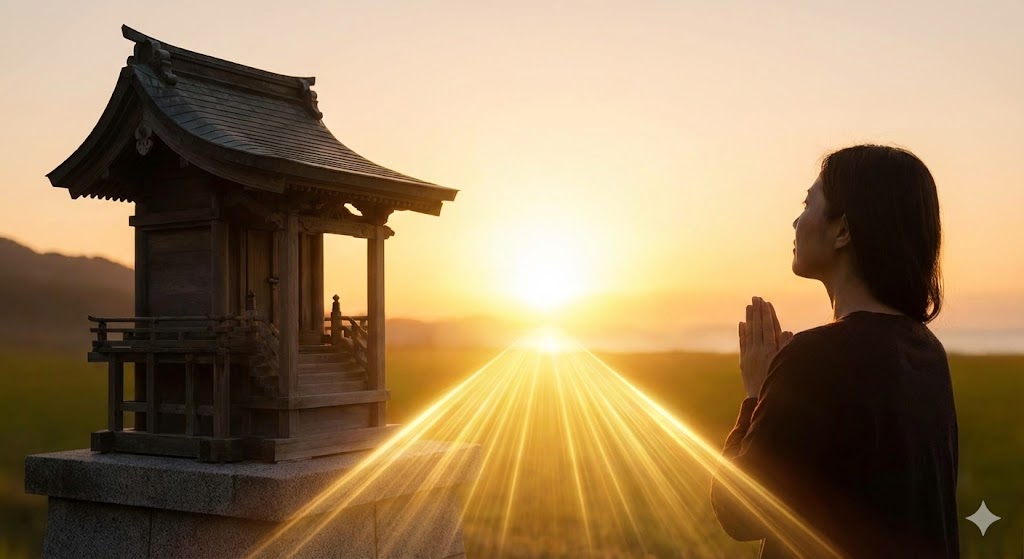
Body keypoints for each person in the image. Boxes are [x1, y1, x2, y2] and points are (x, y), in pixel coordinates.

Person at [709, 144, 959, 558]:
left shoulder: (816, 358)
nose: (796, 220)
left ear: (843, 231)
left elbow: (739, 514)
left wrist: (755, 394)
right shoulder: (928, 353)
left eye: (809, 203)